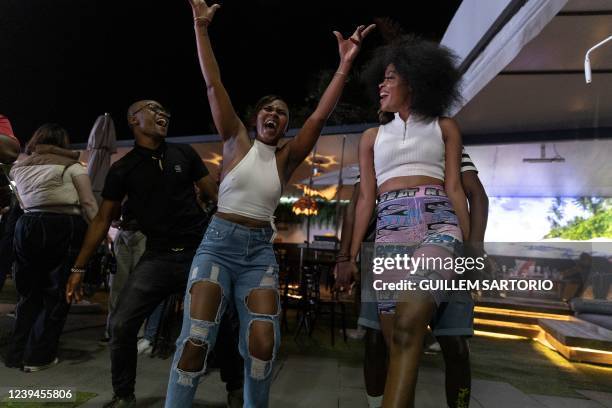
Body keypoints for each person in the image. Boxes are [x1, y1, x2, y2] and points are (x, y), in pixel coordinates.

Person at [165, 1, 374, 407]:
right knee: (196, 339)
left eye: (281, 112)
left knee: (263, 344)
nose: (274, 114)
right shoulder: (234, 140)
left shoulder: (287, 158)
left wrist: (345, 63)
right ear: (256, 116)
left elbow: (319, 115)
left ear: (285, 124)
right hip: (217, 246)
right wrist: (201, 29)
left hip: (258, 253)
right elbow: (213, 85)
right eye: (268, 109)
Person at [65, 100, 225, 408]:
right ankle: (124, 395)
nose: (162, 113)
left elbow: (215, 195)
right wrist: (78, 268)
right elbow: (101, 219)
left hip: (198, 255)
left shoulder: (184, 153)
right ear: (133, 120)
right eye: (153, 109)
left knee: (225, 320)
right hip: (158, 257)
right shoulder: (122, 169)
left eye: (165, 110)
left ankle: (234, 387)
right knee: (121, 325)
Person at [348, 36, 470, 407]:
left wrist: (469, 252)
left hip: (438, 225)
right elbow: (366, 199)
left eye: (389, 78)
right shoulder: (371, 137)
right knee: (400, 346)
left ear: (413, 82)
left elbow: (455, 187)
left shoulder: (444, 127)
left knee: (406, 327)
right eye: (380, 80)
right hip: (388, 236)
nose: (381, 86)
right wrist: (351, 256)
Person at [335, 149, 488, 408]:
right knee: (377, 342)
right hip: (387, 250)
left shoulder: (445, 140)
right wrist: (344, 256)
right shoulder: (379, 146)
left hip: (447, 249)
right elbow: (358, 202)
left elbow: (477, 194)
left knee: (456, 346)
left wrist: (474, 249)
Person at [4, 123, 98, 371]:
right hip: (64, 225)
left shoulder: (19, 167)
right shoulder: (72, 166)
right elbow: (88, 203)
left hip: (26, 225)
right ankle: (38, 357)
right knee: (57, 293)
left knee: (28, 294)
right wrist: (99, 234)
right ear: (63, 142)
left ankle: (15, 355)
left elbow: (20, 201)